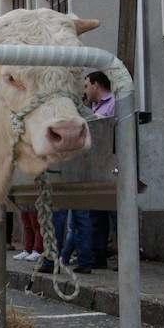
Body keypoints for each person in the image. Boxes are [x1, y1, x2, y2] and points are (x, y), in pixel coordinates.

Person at [67, 71, 116, 274]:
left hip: (112, 165)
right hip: (96, 166)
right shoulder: (94, 107)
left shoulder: (115, 103)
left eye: (86, 85)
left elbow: (112, 131)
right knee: (95, 216)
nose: (85, 90)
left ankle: (125, 256)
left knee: (116, 215)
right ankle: (98, 256)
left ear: (96, 85)